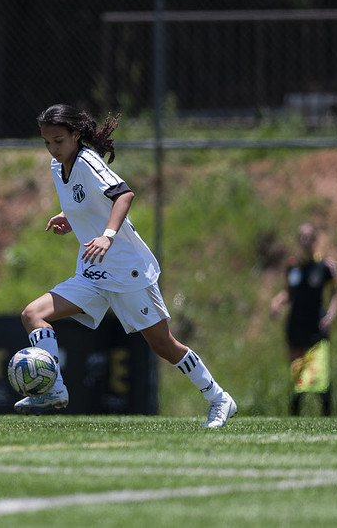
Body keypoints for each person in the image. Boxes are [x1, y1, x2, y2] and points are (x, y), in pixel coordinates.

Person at [18, 104, 236, 428]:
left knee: (163, 345)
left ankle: (219, 398)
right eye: (47, 141)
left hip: (126, 270)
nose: (53, 148)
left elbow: (123, 194)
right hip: (93, 272)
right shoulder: (56, 167)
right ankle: (53, 389)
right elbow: (89, 202)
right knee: (32, 315)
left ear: (76, 135)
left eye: (59, 140)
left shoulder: (88, 161)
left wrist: (106, 235)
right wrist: (71, 217)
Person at [270, 222, 337, 416]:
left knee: (320, 374)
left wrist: (331, 314)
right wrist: (277, 301)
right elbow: (289, 292)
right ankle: (294, 417)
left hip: (316, 326)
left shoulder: (325, 266)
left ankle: (327, 416)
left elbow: (335, 293)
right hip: (296, 326)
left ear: (315, 239)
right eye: (302, 237)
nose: (305, 240)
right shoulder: (293, 266)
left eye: (309, 236)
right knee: (297, 373)